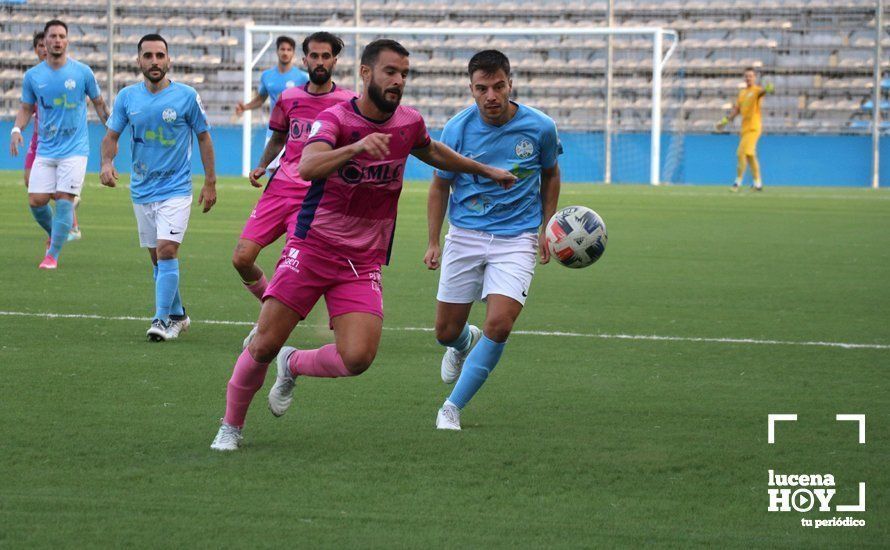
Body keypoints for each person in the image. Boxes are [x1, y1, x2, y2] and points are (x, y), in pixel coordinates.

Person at [210, 38, 517, 451]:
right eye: (391, 72)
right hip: (313, 247)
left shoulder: (407, 122)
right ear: (366, 73)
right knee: (264, 342)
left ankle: (294, 363)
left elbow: (434, 152)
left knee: (357, 358)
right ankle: (231, 427)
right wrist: (354, 147)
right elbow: (308, 164)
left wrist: (483, 170)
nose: (398, 81)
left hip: (362, 260)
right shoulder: (336, 119)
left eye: (405, 75)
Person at [424, 50, 562, 431]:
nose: (491, 96)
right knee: (445, 332)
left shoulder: (541, 127)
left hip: (516, 238)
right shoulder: (456, 129)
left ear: (510, 83)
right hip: (465, 234)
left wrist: (546, 226)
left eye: (498, 86)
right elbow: (439, 186)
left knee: (499, 324)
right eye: (482, 88)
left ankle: (451, 407)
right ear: (471, 89)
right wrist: (434, 240)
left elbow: (551, 174)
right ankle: (462, 343)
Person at [234, 31, 354, 348]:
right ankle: (269, 310)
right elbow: (278, 137)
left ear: (334, 61)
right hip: (278, 189)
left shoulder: (347, 103)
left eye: (325, 56)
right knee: (242, 258)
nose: (319, 61)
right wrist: (262, 164)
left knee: (291, 270)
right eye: (313, 56)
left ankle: (267, 326)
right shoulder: (288, 99)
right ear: (305, 60)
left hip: (314, 198)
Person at [99, 34, 217, 341]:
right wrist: (106, 163)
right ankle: (178, 314)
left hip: (176, 189)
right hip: (141, 189)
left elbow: (204, 137)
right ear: (138, 61)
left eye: (160, 55)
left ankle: (161, 320)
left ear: (169, 60)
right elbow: (111, 136)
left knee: (167, 251)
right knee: (158, 259)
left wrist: (210, 181)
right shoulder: (127, 97)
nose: (154, 61)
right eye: (148, 56)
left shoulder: (187, 96)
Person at [9, 19, 108, 269]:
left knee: (64, 198)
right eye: (52, 36)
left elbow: (98, 103)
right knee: (36, 200)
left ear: (67, 41)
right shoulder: (33, 76)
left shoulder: (82, 72)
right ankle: (60, 232)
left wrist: (112, 130)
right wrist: (16, 128)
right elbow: (25, 107)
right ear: (45, 41)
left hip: (75, 149)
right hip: (46, 148)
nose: (57, 40)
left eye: (61, 36)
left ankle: (52, 255)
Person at [235, 35, 309, 170]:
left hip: (296, 129)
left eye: (289, 50)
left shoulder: (303, 78)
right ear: (277, 51)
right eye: (282, 49)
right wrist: (245, 107)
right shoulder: (267, 76)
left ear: (293, 52)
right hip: (275, 128)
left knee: (294, 168)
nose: (285, 52)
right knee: (272, 167)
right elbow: (261, 98)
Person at [716, 67, 773, 191]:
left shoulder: (757, 90)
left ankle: (737, 182)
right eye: (746, 76)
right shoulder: (742, 93)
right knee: (750, 156)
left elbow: (762, 92)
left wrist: (767, 89)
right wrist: (724, 122)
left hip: (754, 127)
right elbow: (736, 110)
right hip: (745, 128)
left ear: (755, 77)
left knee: (741, 153)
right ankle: (758, 184)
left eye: (751, 76)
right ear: (744, 78)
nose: (748, 78)